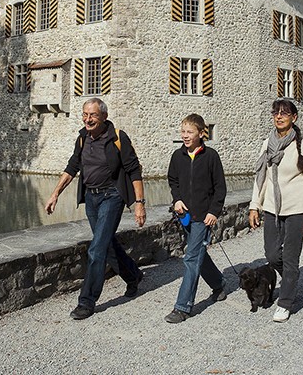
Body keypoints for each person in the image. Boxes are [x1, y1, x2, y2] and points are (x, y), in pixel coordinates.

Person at [45, 98, 146, 320]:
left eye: (92, 115)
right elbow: (72, 167)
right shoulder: (82, 138)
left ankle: (86, 302)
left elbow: (133, 170)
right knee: (107, 245)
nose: (87, 119)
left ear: (104, 117)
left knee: (96, 249)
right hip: (91, 198)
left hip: (113, 196)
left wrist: (139, 203)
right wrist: (55, 194)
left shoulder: (118, 138)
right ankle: (133, 276)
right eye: (85, 114)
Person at [248, 99, 303, 323]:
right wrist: (254, 205)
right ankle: (292, 278)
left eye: (284, 113)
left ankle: (285, 302)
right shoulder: (267, 144)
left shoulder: (302, 146)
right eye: (276, 113)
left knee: (290, 257)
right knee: (271, 254)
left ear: (294, 117)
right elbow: (260, 178)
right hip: (272, 207)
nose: (279, 117)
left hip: (297, 209)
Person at [164, 114, 228, 323]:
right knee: (199, 252)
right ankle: (219, 284)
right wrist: (177, 199)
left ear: (201, 133)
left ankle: (183, 307)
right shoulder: (177, 156)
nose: (185, 136)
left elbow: (220, 188)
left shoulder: (211, 157)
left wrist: (214, 212)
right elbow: (173, 180)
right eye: (183, 132)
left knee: (191, 257)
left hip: (204, 216)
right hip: (185, 215)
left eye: (189, 132)